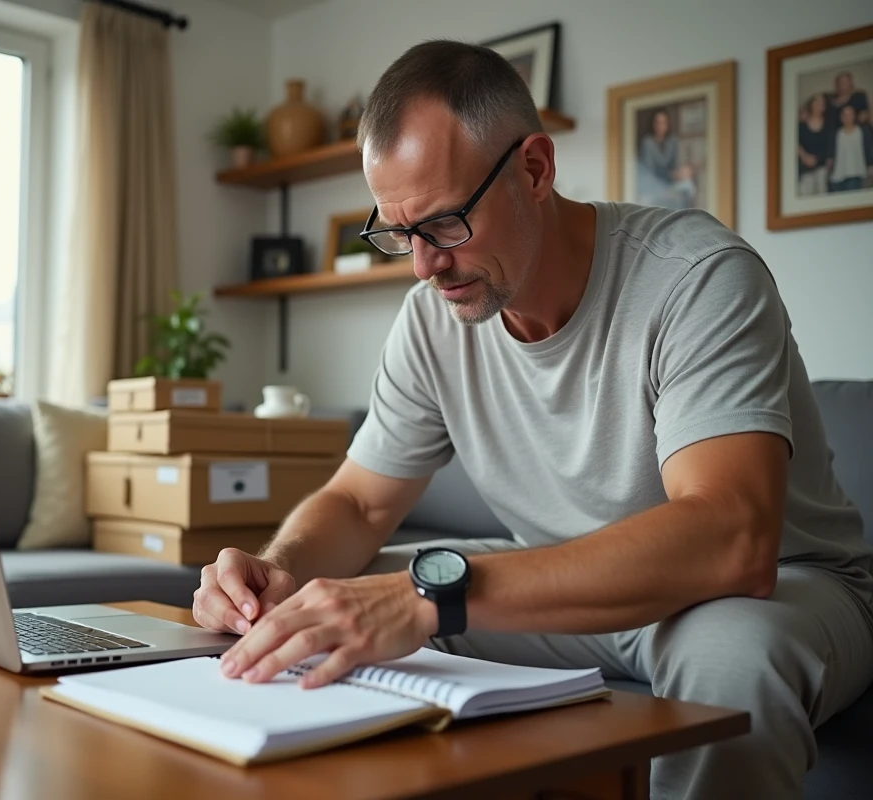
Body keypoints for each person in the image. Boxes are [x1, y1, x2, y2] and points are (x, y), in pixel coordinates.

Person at [192, 40, 873, 800]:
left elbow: (732, 538)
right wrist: (281, 569)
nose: (423, 267)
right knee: (310, 608)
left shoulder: (698, 277)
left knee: (734, 657)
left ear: (535, 169)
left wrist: (427, 596)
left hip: (770, 588)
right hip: (563, 583)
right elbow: (358, 502)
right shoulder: (431, 321)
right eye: (397, 234)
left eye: (445, 223)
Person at [797, 93, 832, 196]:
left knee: (822, 194)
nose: (818, 105)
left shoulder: (829, 124)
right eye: (816, 102)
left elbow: (830, 145)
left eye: (821, 103)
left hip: (822, 167)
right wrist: (804, 156)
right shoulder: (801, 124)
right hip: (804, 167)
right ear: (811, 104)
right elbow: (795, 142)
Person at [830, 103, 870, 192]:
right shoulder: (836, 133)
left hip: (856, 174)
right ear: (841, 117)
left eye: (850, 114)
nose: (847, 117)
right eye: (845, 115)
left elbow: (869, 149)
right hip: (837, 177)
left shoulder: (862, 131)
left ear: (854, 116)